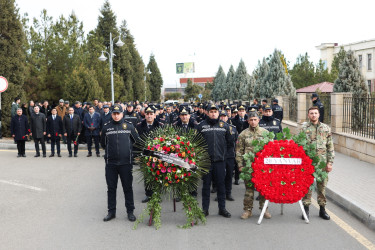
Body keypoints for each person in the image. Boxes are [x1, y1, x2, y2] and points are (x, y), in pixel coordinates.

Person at [101, 104, 140, 222]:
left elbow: (137, 142)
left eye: (118, 113)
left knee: (127, 188)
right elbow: (103, 144)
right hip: (111, 164)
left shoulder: (129, 126)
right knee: (111, 188)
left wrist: (131, 155)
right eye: (114, 113)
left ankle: (130, 211)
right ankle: (111, 212)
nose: (116, 116)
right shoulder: (106, 127)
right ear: (111, 114)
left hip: (125, 163)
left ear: (122, 114)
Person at [196, 104, 232, 218]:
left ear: (218, 113)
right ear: (207, 113)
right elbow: (196, 143)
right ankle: (205, 209)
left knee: (221, 186)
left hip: (220, 162)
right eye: (211, 111)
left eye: (215, 112)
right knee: (206, 186)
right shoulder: (201, 126)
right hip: (206, 162)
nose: (213, 113)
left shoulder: (224, 126)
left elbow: (230, 143)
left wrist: (224, 156)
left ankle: (222, 208)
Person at [235, 111, 271, 219]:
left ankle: (264, 209)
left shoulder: (266, 133)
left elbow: (271, 149)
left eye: (255, 119)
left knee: (263, 189)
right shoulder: (243, 134)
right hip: (248, 166)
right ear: (248, 121)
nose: (253, 122)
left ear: (258, 120)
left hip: (263, 167)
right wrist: (240, 165)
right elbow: (238, 151)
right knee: (249, 190)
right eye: (251, 120)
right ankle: (247, 210)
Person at [301, 106, 334, 220]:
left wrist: (330, 162)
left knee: (322, 187)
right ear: (308, 115)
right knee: (307, 186)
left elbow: (330, 146)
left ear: (319, 114)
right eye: (311, 113)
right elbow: (299, 145)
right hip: (307, 163)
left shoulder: (325, 128)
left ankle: (322, 210)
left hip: (322, 163)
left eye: (315, 113)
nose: (313, 115)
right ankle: (306, 209)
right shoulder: (304, 128)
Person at [136, 106, 164, 203]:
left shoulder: (160, 125)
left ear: (155, 115)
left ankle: (157, 194)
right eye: (147, 114)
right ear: (145, 115)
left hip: (157, 155)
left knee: (158, 175)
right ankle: (148, 194)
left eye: (151, 114)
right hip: (144, 155)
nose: (149, 116)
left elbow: (164, 141)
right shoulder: (139, 126)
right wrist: (137, 155)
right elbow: (136, 142)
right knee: (147, 175)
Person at [218, 110, 238, 201]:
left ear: (227, 117)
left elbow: (235, 141)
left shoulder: (233, 128)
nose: (222, 118)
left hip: (229, 154)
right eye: (221, 116)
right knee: (220, 175)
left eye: (224, 116)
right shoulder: (216, 127)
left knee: (229, 174)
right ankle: (220, 194)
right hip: (219, 155)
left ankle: (228, 193)